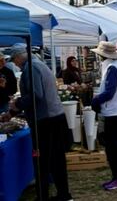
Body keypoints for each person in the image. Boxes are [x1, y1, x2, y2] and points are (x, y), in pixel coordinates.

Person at [9, 44, 72, 201]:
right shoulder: (39, 64)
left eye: (14, 59)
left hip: (46, 120)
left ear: (19, 56)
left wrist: (17, 104)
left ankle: (44, 196)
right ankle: (63, 194)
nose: (15, 63)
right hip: (53, 116)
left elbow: (36, 95)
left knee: (43, 160)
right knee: (56, 159)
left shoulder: (31, 68)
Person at [91, 41, 117, 191]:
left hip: (115, 112)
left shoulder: (112, 67)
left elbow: (109, 92)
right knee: (115, 147)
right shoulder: (115, 66)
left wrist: (96, 100)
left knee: (115, 148)